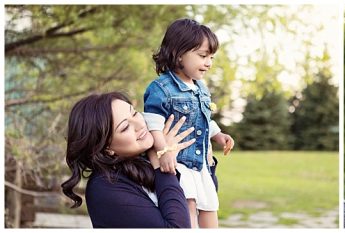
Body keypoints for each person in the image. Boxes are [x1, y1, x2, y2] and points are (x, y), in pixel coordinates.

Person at [143, 18, 235, 228]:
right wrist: (164, 150)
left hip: (201, 163)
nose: (209, 62)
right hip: (179, 162)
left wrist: (218, 135)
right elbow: (153, 124)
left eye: (211, 57)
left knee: (211, 205)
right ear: (178, 53)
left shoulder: (201, 88)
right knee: (189, 206)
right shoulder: (162, 88)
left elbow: (203, 118)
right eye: (203, 56)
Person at [61, 92, 196, 228]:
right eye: (125, 127)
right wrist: (162, 161)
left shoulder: (144, 160)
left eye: (134, 113)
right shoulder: (105, 188)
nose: (140, 124)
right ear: (106, 148)